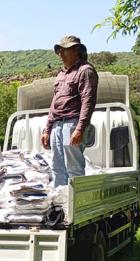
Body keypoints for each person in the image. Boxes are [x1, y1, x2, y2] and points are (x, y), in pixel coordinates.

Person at [41, 35, 99, 187]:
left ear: (76, 50)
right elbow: (54, 103)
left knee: (74, 168)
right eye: (59, 50)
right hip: (57, 125)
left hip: (72, 122)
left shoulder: (85, 71)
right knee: (57, 168)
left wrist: (80, 128)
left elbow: (88, 100)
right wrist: (47, 129)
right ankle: (61, 206)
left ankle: (75, 208)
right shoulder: (61, 74)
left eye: (64, 50)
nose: (60, 54)